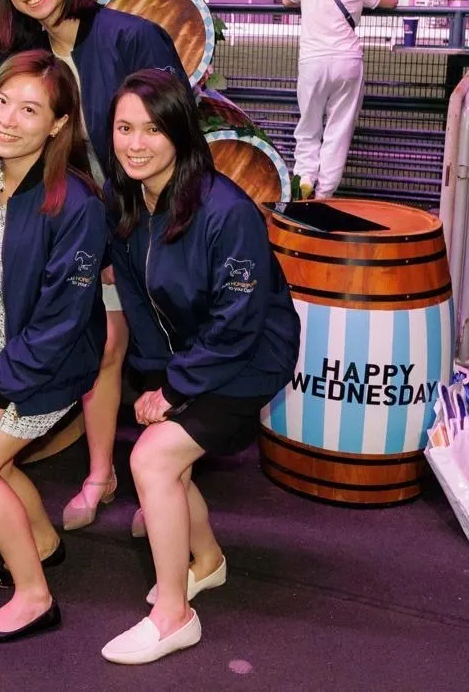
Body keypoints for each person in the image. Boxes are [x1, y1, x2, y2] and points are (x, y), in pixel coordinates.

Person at [98, 69, 299, 664]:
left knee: (151, 459)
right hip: (194, 355)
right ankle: (206, 562)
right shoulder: (129, 200)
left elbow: (239, 320)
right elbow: (137, 298)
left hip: (250, 358)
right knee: (168, 460)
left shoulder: (225, 211)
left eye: (153, 129)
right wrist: (159, 377)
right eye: (124, 128)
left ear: (183, 134)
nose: (136, 143)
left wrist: (178, 385)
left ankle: (173, 615)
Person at [0, 0, 183, 535]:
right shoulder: (32, 59)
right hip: (90, 231)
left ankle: (167, 486)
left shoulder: (132, 36)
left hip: (151, 224)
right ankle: (102, 473)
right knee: (105, 347)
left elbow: (170, 135)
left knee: (166, 353)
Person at [0, 50, 107, 643]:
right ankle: (40, 542)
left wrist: (0, 384)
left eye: (31, 109)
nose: (8, 119)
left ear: (59, 123)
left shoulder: (78, 204)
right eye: (2, 101)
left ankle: (35, 596)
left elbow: (62, 319)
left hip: (49, 366)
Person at [281, 0, 397, 198]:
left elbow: (286, 0)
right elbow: (392, 0)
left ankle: (305, 177)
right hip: (347, 62)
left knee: (308, 125)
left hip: (312, 62)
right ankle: (325, 193)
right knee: (338, 129)